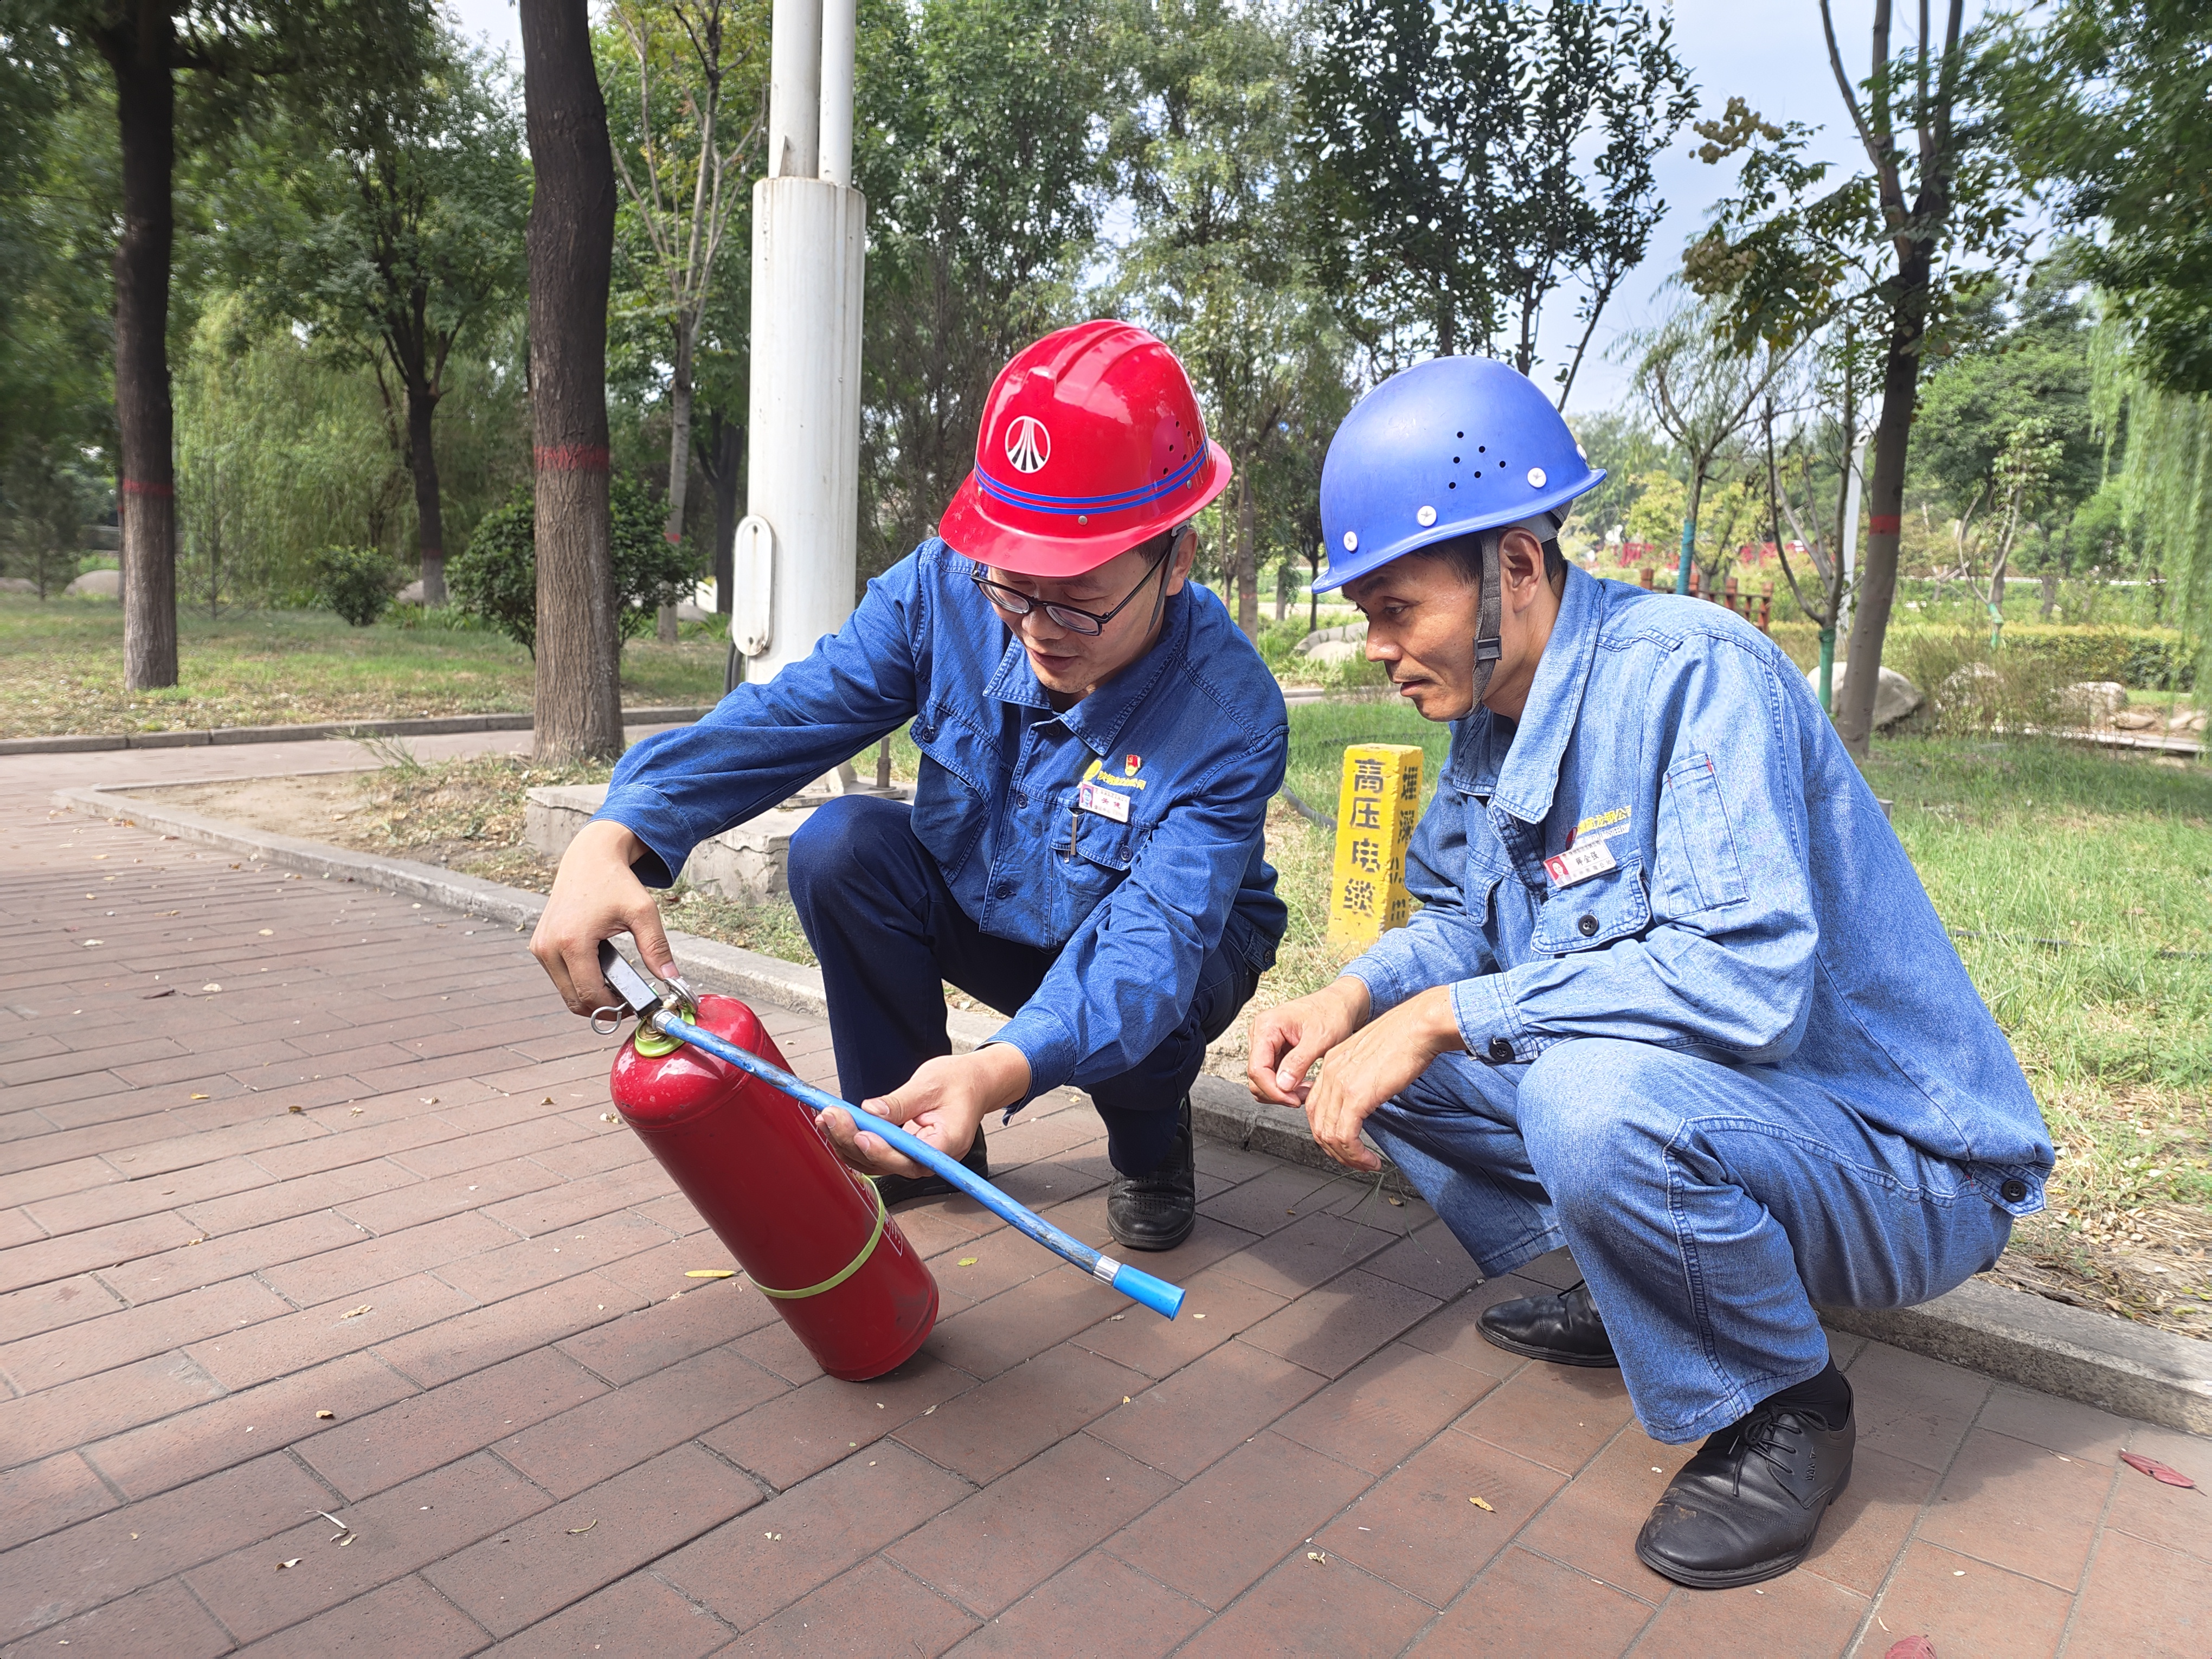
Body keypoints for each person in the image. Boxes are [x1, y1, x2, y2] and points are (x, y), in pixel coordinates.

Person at [1247, 357, 2051, 1589]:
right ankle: (1645, 1290)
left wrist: (1448, 1015)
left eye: (1398, 609)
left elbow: (1744, 982)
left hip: (1903, 1167)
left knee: (1579, 1095)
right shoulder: (1488, 713)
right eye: (1368, 615)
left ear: (1515, 565)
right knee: (1383, 1059)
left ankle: (1788, 1407)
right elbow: (1463, 922)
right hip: (1736, 1120)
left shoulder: (1691, 676)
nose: (1380, 649)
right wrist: (1353, 1002)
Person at [533, 319, 1288, 1253]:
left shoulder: (1229, 711)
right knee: (842, 849)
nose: (1035, 628)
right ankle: (918, 1138)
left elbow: (1151, 948)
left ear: (1175, 558)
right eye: (1013, 588)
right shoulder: (943, 591)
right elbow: (794, 713)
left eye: (1077, 597)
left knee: (1147, 1027)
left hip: (1172, 941)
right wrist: (617, 833)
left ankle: (1149, 1143)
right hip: (991, 893)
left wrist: (995, 1069)